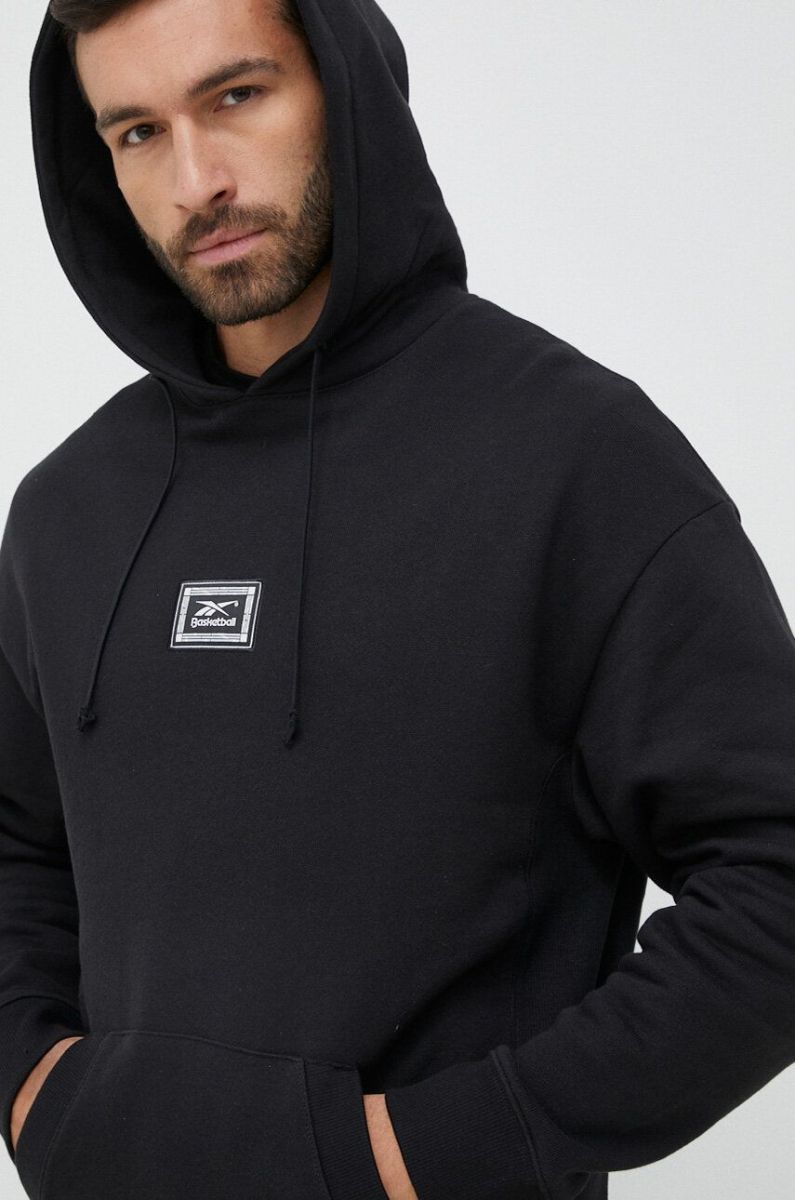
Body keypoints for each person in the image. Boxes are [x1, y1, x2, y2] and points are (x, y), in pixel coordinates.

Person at [1, 0, 793, 1197]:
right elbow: (13, 846)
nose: (196, 181)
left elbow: (776, 875)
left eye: (236, 96)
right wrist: (38, 1090)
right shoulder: (68, 508)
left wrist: (434, 1148)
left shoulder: (577, 459)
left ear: (346, 86)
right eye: (137, 133)